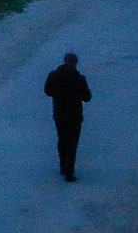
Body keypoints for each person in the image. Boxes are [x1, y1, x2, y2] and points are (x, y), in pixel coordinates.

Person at [44, 51, 92, 181]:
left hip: (59, 114)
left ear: (64, 61)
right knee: (72, 143)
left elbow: (48, 91)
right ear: (75, 63)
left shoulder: (53, 75)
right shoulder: (79, 79)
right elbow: (87, 97)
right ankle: (69, 171)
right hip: (75, 116)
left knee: (62, 140)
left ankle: (63, 166)